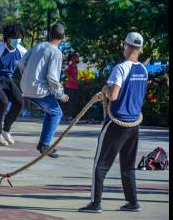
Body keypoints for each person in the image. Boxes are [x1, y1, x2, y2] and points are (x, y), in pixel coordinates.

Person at [79, 32, 148, 213]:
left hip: (117, 122)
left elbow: (114, 95)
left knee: (100, 164)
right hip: (134, 124)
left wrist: (105, 92)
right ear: (140, 49)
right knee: (128, 165)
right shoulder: (143, 69)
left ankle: (95, 203)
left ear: (126, 46)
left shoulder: (120, 68)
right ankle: (133, 202)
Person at [19, 23, 69, 158]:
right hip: (38, 90)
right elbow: (52, 77)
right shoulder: (56, 52)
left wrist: (28, 77)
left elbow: (21, 63)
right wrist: (61, 95)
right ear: (63, 37)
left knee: (51, 112)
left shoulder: (38, 46)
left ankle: (43, 144)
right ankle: (44, 144)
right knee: (57, 113)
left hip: (25, 87)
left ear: (49, 34)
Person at [64, 53, 79, 121]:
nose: (77, 59)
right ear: (72, 58)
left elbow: (76, 75)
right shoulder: (70, 65)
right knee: (70, 101)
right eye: (76, 57)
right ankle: (69, 116)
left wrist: (76, 80)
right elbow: (65, 71)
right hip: (70, 86)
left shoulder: (75, 66)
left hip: (75, 86)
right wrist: (71, 78)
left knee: (74, 101)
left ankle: (73, 116)